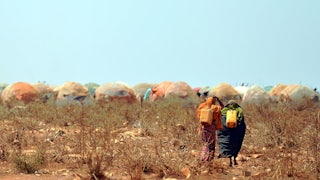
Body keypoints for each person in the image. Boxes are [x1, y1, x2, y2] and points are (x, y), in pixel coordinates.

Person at [217, 100, 246, 167]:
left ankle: (227, 160)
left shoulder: (223, 111)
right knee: (235, 144)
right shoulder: (239, 110)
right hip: (236, 132)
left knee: (225, 142)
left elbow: (219, 122)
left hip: (224, 131)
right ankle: (234, 160)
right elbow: (241, 123)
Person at [196, 96, 224, 162]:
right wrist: (219, 100)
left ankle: (203, 157)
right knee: (211, 144)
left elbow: (198, 116)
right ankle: (208, 160)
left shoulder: (202, 106)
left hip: (203, 128)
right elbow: (223, 107)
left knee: (205, 143)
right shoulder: (215, 108)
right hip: (211, 128)